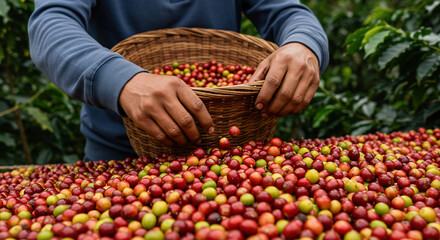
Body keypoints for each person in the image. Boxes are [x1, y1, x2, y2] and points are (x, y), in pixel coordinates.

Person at [28, 0, 329, 161]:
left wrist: (303, 45)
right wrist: (123, 81)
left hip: (230, 154)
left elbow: (288, 13)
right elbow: (50, 25)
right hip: (118, 155)